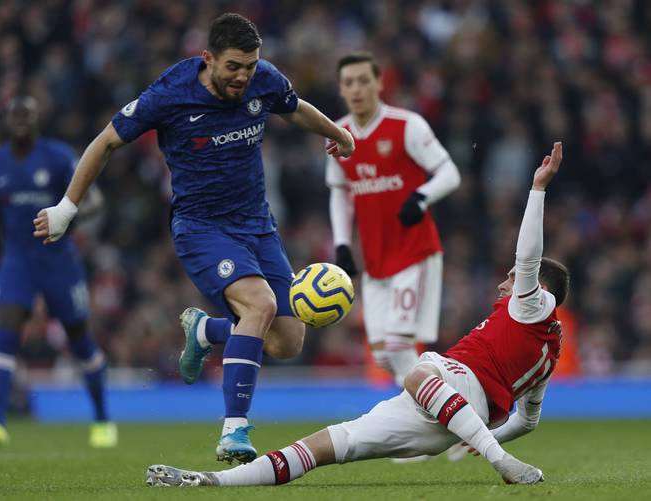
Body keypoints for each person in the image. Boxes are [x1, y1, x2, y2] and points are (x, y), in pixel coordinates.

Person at [144, 141, 568, 487]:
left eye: (511, 280)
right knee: (329, 444)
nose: (504, 285)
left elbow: (527, 256)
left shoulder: (532, 304)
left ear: (542, 291)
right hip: (441, 416)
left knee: (418, 369)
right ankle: (211, 481)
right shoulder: (549, 352)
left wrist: (538, 189)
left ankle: (501, 463)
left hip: (449, 384)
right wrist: (480, 434)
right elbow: (528, 420)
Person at [32, 13, 355, 464]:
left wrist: (337, 133)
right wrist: (67, 209)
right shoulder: (170, 93)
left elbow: (294, 106)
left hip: (257, 226)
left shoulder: (264, 79)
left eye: (250, 66)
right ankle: (234, 431)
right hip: (202, 227)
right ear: (208, 59)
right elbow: (105, 142)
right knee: (259, 305)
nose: (243, 76)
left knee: (287, 340)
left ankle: (206, 329)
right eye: (233, 67)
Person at [0, 96, 115, 447]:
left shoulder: (57, 157)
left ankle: (102, 420)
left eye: (28, 115)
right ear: (7, 122)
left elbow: (96, 200)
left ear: (38, 120)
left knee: (80, 340)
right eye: (16, 115)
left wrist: (67, 216)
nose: (22, 121)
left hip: (58, 260)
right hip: (17, 261)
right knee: (3, 332)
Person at [326, 52, 461, 387]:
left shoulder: (406, 126)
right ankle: (446, 401)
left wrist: (421, 196)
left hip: (414, 252)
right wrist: (342, 244)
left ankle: (443, 414)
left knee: (401, 345)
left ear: (379, 83)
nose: (356, 89)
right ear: (341, 89)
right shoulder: (337, 135)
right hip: (375, 261)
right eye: (348, 83)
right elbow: (340, 192)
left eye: (363, 80)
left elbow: (450, 172)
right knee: (385, 357)